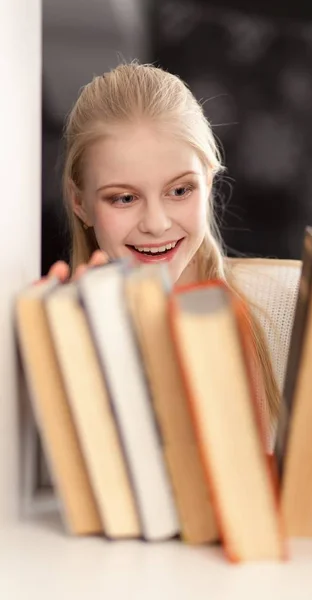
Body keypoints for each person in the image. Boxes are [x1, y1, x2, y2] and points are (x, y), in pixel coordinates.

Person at [45, 61, 282, 451]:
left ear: (208, 181)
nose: (156, 224)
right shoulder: (60, 340)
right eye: (124, 198)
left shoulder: (285, 309)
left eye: (180, 191)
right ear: (79, 203)